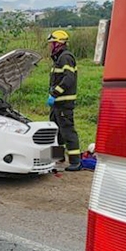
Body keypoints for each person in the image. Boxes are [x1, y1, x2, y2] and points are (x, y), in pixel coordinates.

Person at [46, 30, 81, 171]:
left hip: (64, 103)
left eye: (51, 44)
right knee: (56, 131)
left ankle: (75, 162)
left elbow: (69, 79)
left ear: (58, 44)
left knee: (67, 131)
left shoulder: (65, 57)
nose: (50, 47)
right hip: (57, 104)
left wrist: (54, 94)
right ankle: (57, 158)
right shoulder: (59, 58)